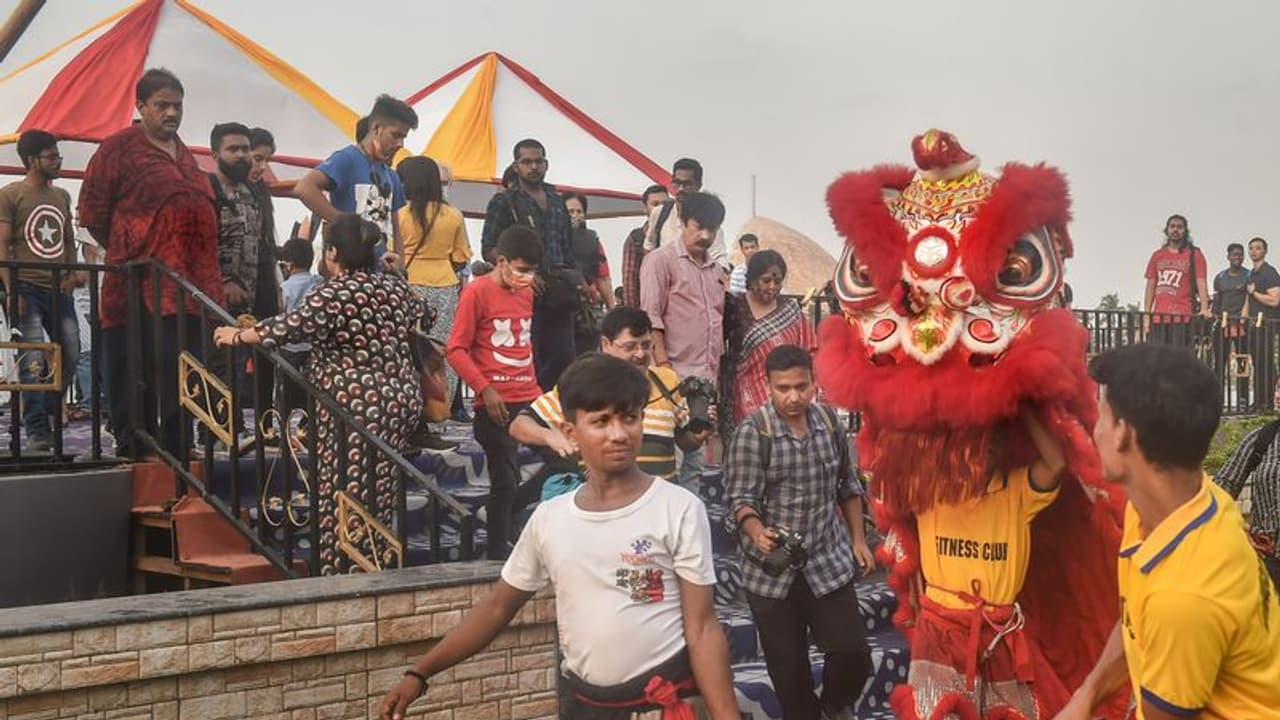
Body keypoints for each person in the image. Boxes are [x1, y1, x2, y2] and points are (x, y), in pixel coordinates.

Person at [380, 354, 740, 720]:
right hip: (585, 705)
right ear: (570, 432)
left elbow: (703, 628)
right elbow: (497, 607)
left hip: (662, 703)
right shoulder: (550, 519)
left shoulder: (678, 508)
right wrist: (420, 672)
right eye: (600, 421)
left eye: (629, 418)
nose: (618, 433)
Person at [1057, 344, 1280, 720]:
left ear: (1124, 434)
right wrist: (1088, 693)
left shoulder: (1184, 596)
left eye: (1102, 416)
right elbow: (1134, 617)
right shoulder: (1181, 504)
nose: (1094, 430)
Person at [212, 214, 425, 575]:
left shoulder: (334, 291)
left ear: (332, 253)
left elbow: (290, 326)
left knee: (342, 492)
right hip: (400, 399)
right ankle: (376, 565)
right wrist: (395, 275)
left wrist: (238, 335)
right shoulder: (394, 289)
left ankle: (342, 574)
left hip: (354, 405)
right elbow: (427, 314)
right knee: (381, 489)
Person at [78, 68, 224, 459]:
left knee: (181, 367)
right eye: (162, 105)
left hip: (191, 287)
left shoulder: (188, 157)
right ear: (141, 106)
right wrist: (131, 248)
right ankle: (134, 440)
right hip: (138, 284)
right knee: (136, 365)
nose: (172, 113)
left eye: (177, 105)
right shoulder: (118, 149)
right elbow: (92, 211)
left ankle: (179, 444)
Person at [725, 344, 873, 719]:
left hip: (828, 560)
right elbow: (741, 499)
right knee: (790, 674)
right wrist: (757, 531)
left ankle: (835, 706)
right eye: (783, 388)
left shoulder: (827, 422)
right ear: (767, 386)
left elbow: (848, 485)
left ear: (814, 384)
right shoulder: (753, 433)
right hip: (772, 574)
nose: (793, 397)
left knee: (853, 653)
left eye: (801, 386)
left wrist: (858, 539)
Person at [510, 306, 716, 490]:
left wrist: (697, 436)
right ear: (606, 344)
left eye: (646, 345)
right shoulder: (584, 383)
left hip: (658, 504)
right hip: (602, 505)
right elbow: (519, 425)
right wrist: (550, 437)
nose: (640, 354)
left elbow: (684, 441)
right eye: (630, 347)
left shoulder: (667, 381)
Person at [446, 226, 544, 560]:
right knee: (505, 477)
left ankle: (506, 512)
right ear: (501, 262)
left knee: (564, 457)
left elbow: (525, 345)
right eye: (521, 270)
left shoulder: (527, 292)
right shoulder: (476, 293)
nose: (527, 277)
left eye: (532, 271)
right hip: (494, 403)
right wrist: (484, 389)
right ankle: (497, 550)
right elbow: (456, 350)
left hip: (529, 395)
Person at [640, 191, 727, 487]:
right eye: (698, 226)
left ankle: (688, 531)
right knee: (667, 468)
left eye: (712, 229)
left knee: (695, 469)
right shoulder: (659, 261)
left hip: (705, 382)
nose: (705, 235)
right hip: (670, 382)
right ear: (682, 222)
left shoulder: (717, 271)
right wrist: (665, 374)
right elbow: (651, 319)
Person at [0, 129, 80, 451]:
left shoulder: (62, 196)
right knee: (32, 357)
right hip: (25, 289)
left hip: (59, 289)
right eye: (52, 156)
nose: (58, 161)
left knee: (71, 352)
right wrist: (11, 290)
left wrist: (72, 274)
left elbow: (69, 239)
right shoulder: (10, 194)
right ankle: (36, 429)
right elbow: (2, 246)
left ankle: (45, 411)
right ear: (33, 161)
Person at [480, 138, 578, 391]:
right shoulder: (504, 201)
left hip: (559, 291)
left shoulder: (558, 201)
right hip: (522, 290)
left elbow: (567, 247)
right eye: (527, 162)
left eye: (538, 161)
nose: (533, 167)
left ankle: (541, 403)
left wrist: (578, 280)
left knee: (564, 356)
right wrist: (520, 275)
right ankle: (529, 407)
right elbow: (489, 248)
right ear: (516, 166)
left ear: (546, 164)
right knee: (527, 355)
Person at [209, 122, 280, 439]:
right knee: (224, 361)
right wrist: (224, 279)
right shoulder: (209, 189)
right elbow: (206, 241)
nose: (246, 158)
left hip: (258, 286)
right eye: (235, 150)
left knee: (257, 356)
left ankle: (257, 425)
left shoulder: (256, 193)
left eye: (246, 150)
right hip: (221, 292)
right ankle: (216, 428)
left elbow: (263, 243)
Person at [294, 95, 417, 265]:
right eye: (395, 135)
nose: (400, 144)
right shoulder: (347, 159)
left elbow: (397, 229)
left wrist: (401, 267)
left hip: (382, 273)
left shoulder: (392, 176)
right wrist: (343, 222)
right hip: (347, 270)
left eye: (404, 137)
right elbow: (304, 188)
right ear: (376, 129)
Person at [396, 155, 471, 414]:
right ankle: (440, 409)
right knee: (443, 351)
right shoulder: (453, 215)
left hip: (409, 286)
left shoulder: (400, 215)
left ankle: (411, 410)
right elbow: (461, 257)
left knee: (410, 350)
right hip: (445, 287)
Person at [724, 250, 818, 433]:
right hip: (745, 398)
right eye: (766, 280)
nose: (772, 286)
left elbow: (811, 349)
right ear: (751, 280)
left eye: (778, 281)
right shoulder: (733, 308)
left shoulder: (790, 310)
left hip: (787, 395)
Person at [1213, 378, 1280, 590]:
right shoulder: (1263, 438)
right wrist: (1236, 534)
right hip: (1267, 563)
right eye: (1278, 387)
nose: (1278, 395)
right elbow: (1221, 488)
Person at [643, 158, 728, 269]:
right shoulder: (660, 213)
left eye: (687, 184)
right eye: (677, 183)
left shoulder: (708, 223)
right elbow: (649, 248)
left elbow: (720, 264)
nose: (681, 189)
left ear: (698, 186)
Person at [1143, 213, 1209, 346]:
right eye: (1172, 226)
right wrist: (1147, 314)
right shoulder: (1158, 255)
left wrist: (1204, 307)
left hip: (1182, 316)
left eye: (1179, 227)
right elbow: (1151, 285)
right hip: (1159, 317)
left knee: (1178, 359)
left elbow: (1201, 282)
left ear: (1185, 231)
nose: (1175, 230)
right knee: (1158, 358)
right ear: (1167, 230)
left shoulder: (1194, 255)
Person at [275, 237, 320, 425]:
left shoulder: (284, 288)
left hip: (289, 348)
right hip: (312, 347)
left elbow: (280, 313)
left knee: (284, 389)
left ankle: (281, 423)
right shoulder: (319, 282)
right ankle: (308, 424)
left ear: (288, 263)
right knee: (313, 389)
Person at [565, 191, 615, 356]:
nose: (575, 215)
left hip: (589, 310)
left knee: (588, 358)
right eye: (570, 211)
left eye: (579, 211)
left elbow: (604, 277)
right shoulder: (552, 239)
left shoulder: (592, 239)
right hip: (560, 308)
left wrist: (612, 311)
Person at [621, 184, 669, 307]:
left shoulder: (681, 234)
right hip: (647, 306)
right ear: (645, 208)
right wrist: (634, 316)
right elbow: (630, 281)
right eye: (655, 204)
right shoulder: (636, 238)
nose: (660, 209)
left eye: (664, 204)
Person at [1212, 242, 1249, 405]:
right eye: (1234, 254)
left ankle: (1243, 397)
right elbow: (1217, 299)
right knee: (1220, 362)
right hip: (1223, 324)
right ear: (1228, 257)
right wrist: (1214, 316)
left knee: (1242, 362)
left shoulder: (1249, 275)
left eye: (1240, 254)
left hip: (1241, 325)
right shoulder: (1220, 277)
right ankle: (1218, 398)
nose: (1237, 257)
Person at [1246, 237, 1280, 410]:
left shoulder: (1269, 272)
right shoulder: (1251, 273)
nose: (1254, 251)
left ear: (1265, 251)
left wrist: (1255, 293)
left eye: (1258, 248)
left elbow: (1275, 300)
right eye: (1251, 248)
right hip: (1254, 325)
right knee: (1257, 363)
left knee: (1266, 364)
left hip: (1267, 325)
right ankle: (1258, 401)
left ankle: (1267, 402)